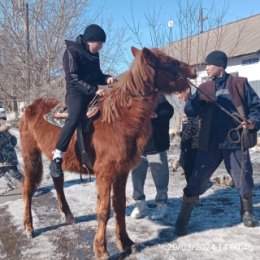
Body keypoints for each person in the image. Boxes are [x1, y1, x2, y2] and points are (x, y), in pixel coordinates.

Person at [175, 50, 260, 236]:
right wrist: (192, 99)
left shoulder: (240, 84)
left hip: (235, 141)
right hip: (210, 143)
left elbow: (256, 107)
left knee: (243, 177)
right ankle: (183, 218)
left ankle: (247, 212)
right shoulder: (204, 87)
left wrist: (253, 122)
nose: (206, 67)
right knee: (197, 180)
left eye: (209, 64)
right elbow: (190, 110)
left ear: (220, 66)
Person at [49, 24, 116, 178]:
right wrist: (93, 90)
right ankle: (57, 157)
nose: (100, 47)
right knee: (74, 118)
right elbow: (73, 79)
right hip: (76, 93)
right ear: (90, 40)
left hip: (93, 93)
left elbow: (98, 75)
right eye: (99, 44)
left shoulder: (94, 55)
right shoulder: (72, 51)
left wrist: (107, 78)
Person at [130, 93, 174, 220]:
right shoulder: (134, 98)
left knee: (160, 177)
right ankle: (140, 203)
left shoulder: (159, 97)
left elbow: (169, 111)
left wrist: (157, 115)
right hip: (139, 149)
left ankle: (161, 204)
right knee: (137, 177)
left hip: (155, 147)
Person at [176, 89, 199, 183]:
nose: (178, 96)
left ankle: (194, 187)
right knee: (185, 162)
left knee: (187, 163)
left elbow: (193, 123)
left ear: (187, 90)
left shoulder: (192, 103)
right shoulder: (189, 102)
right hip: (191, 138)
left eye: (179, 93)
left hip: (192, 140)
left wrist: (184, 138)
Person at [0, 102, 23, 183]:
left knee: (15, 173)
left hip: (8, 159)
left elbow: (13, 142)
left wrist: (10, 141)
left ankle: (31, 187)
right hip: (3, 160)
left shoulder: (4, 132)